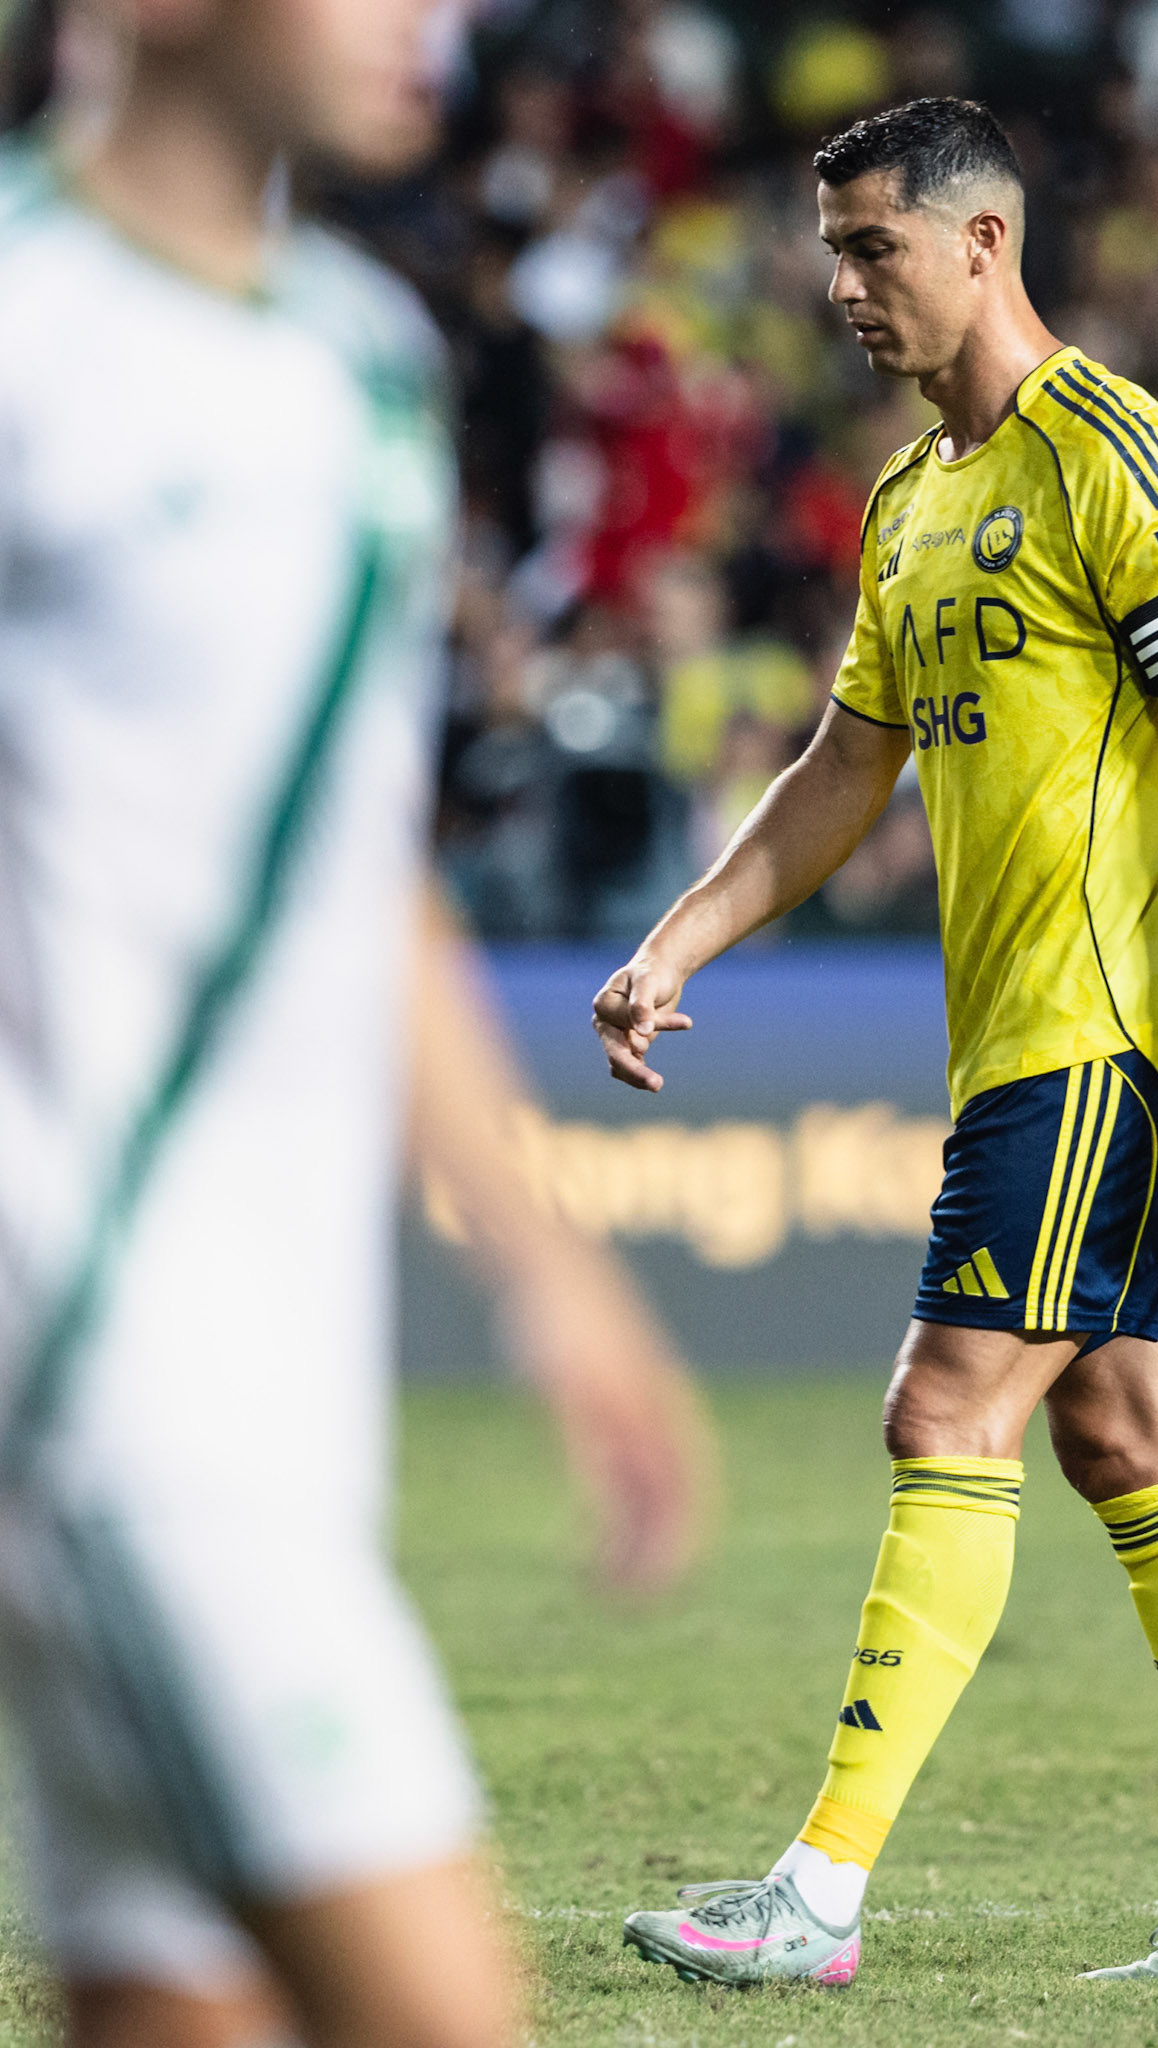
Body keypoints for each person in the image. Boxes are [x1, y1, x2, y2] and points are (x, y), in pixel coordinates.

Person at [0, 4, 709, 2045]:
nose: (440, 27)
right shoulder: (31, 335)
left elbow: (356, 873)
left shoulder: (360, 370)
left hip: (296, 1381)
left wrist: (558, 1276)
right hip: (104, 1383)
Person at [598, 96, 1158, 1989]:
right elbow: (847, 763)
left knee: (944, 1413)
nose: (840, 284)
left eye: (874, 247)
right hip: (1023, 1043)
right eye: (830, 249)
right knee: (1124, 1426)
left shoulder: (1122, 458)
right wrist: (681, 934)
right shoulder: (911, 498)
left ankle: (819, 1892)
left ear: (985, 242)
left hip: (1105, 1043)